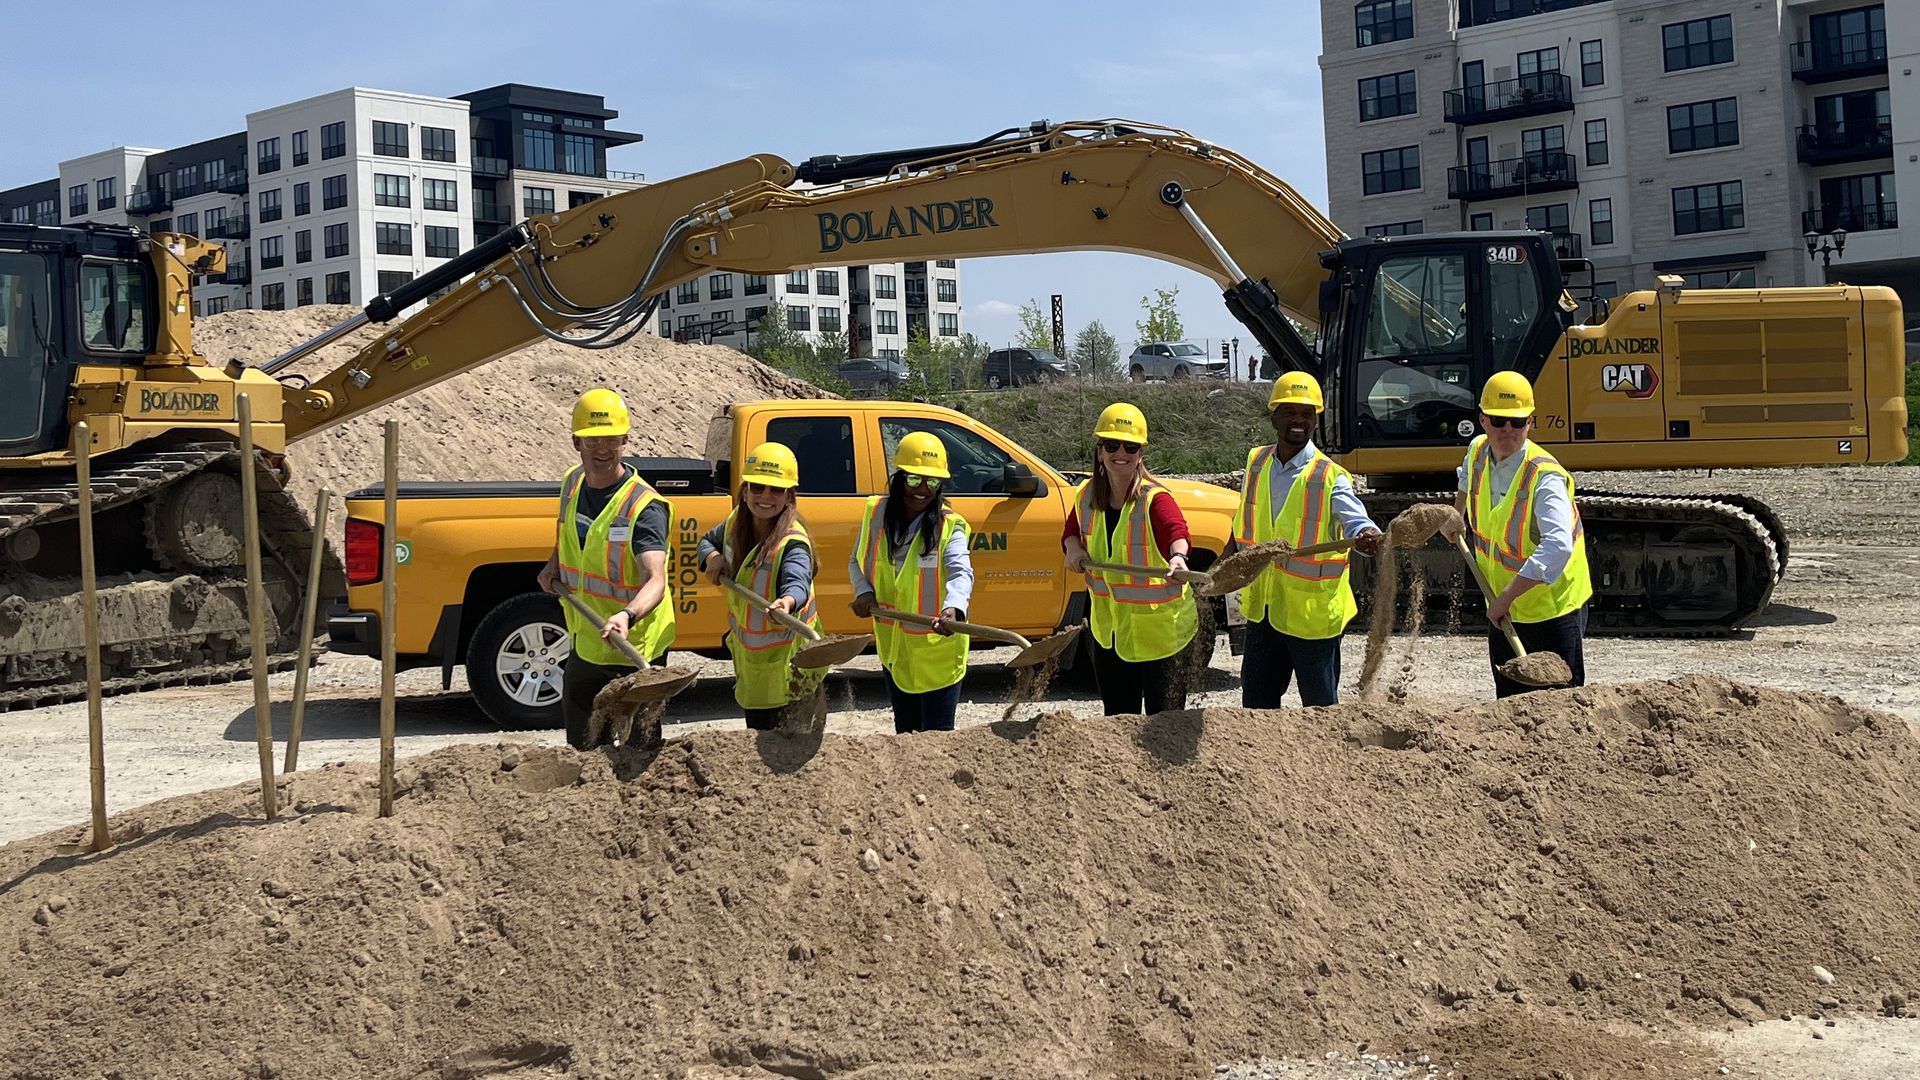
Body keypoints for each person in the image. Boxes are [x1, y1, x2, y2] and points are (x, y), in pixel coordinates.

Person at [537, 388, 675, 750]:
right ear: (575, 442)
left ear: (625, 440)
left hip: (635, 645)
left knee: (640, 743)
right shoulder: (572, 483)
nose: (602, 448)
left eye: (611, 439)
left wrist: (628, 615)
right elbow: (571, 533)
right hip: (589, 639)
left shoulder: (643, 507)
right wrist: (554, 563)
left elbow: (655, 579)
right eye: (592, 439)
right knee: (583, 736)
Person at [1234, 371, 1383, 708]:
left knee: (1320, 711)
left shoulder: (1330, 476)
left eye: (1306, 413)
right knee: (1256, 707)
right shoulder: (1256, 463)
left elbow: (1357, 522)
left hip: (1312, 619)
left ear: (1315, 420)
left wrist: (1367, 535)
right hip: (1265, 611)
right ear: (1274, 417)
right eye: (1289, 412)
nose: (1298, 421)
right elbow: (1244, 527)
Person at [1444, 371, 1592, 698]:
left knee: (1559, 704)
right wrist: (1457, 514)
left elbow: (1556, 548)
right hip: (1502, 604)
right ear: (1483, 420)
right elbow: (1465, 480)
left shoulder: (1545, 477)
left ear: (1530, 423)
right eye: (1498, 421)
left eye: (1517, 421)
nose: (1507, 429)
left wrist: (1503, 601)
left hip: (1550, 608)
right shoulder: (1478, 450)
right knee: (1510, 704)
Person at [1061, 402, 1198, 715]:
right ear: (1099, 452)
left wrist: (1178, 557)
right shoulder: (1085, 496)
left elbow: (1177, 531)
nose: (1120, 452)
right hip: (1110, 635)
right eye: (1111, 445)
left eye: (1130, 446)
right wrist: (1073, 548)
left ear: (1140, 454)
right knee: (1119, 723)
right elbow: (1070, 532)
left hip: (1162, 637)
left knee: (1165, 726)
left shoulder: (1155, 499)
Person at [849, 432, 974, 734]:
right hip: (895, 652)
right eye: (915, 479)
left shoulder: (949, 525)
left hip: (936, 656)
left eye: (932, 482)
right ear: (899, 477)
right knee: (905, 738)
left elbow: (961, 572)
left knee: (937, 741)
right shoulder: (876, 514)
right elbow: (857, 560)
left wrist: (954, 609)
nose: (922, 489)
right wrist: (864, 593)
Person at [697, 442, 826, 730]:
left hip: (792, 671)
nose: (766, 496)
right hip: (753, 667)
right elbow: (705, 542)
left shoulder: (791, 542)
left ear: (789, 496)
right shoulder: (734, 524)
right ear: (744, 491)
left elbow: (797, 580)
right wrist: (713, 557)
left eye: (776, 490)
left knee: (787, 756)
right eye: (758, 487)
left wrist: (787, 602)